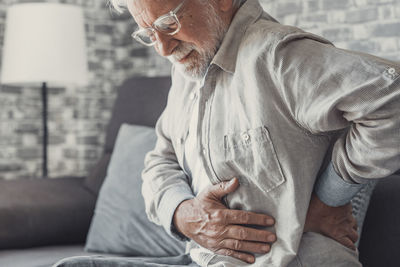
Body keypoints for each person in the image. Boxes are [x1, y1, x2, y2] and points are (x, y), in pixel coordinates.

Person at [112, 0, 399, 266]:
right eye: (149, 33)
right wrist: (181, 212)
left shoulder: (280, 57)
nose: (162, 48)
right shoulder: (187, 68)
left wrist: (328, 198)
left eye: (167, 23)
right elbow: (160, 157)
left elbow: (393, 99)